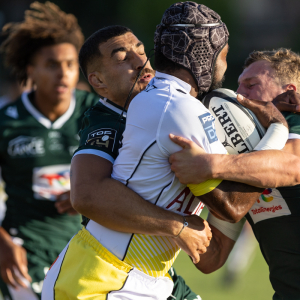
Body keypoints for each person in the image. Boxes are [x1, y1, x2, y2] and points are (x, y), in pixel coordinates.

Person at [43, 3, 300, 300]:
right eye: (122, 57)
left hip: (149, 275)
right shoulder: (134, 113)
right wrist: (178, 225)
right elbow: (87, 194)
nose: (139, 60)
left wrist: (221, 166)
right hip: (102, 277)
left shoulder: (172, 105)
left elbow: (212, 253)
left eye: (141, 49)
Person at [169, 48, 300, 299]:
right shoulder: (241, 161)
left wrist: (209, 165)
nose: (239, 95)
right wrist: (175, 213)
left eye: (251, 85)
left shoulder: (296, 123)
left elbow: (292, 166)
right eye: (238, 86)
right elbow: (211, 258)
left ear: (289, 93)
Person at [0, 2, 99, 299]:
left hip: (90, 246)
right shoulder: (7, 122)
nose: (63, 74)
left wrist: (89, 195)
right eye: (52, 65)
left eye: (70, 65)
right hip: (23, 248)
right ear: (31, 71)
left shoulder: (98, 115)